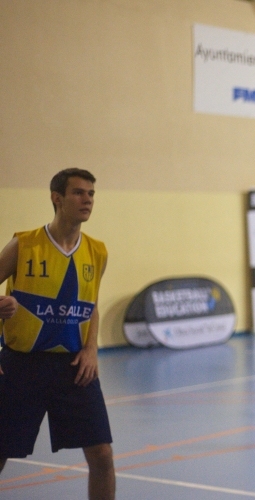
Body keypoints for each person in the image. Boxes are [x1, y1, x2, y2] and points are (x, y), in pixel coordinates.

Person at [0, 169, 115, 500]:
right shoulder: (24, 244)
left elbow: (90, 305)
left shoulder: (97, 251)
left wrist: (92, 349)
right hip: (21, 365)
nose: (88, 200)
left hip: (75, 367)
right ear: (57, 198)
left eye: (91, 194)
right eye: (79, 193)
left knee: (102, 456)